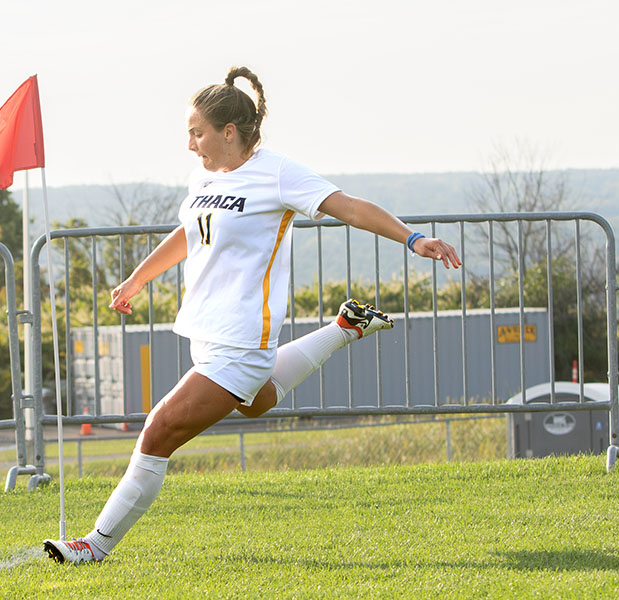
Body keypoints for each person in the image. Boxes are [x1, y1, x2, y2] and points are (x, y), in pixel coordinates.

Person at [44, 66, 461, 564]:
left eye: (196, 132)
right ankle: (344, 328)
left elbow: (348, 206)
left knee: (158, 432)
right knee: (255, 402)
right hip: (206, 332)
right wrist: (138, 278)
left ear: (228, 131)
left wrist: (414, 239)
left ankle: (95, 545)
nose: (190, 143)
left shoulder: (277, 172)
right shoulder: (204, 175)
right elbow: (190, 231)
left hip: (242, 339)